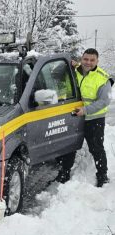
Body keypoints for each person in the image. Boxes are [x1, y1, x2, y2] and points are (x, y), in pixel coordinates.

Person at [55, 48, 113, 187]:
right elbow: (55, 74)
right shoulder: (74, 71)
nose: (88, 62)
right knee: (68, 146)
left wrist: (85, 110)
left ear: (97, 61)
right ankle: (64, 174)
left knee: (96, 148)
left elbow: (104, 101)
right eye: (85, 59)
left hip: (94, 119)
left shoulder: (102, 78)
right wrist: (69, 64)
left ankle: (102, 176)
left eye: (92, 60)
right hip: (75, 117)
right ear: (82, 58)